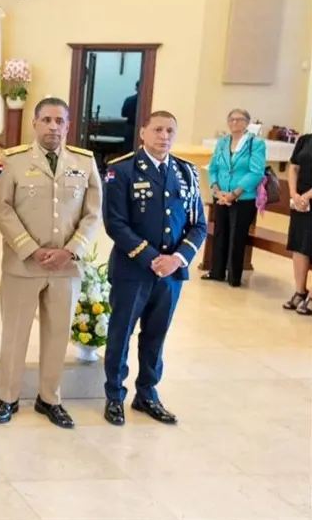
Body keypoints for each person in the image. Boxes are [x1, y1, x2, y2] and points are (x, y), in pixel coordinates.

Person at [0, 97, 102, 428]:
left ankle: (50, 398)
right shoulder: (13, 161)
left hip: (66, 267)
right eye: (47, 120)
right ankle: (7, 397)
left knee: (57, 335)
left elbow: (93, 213)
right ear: (35, 124)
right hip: (24, 265)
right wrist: (30, 249)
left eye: (60, 121)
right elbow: (2, 208)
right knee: (15, 334)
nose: (53, 126)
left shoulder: (84, 162)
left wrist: (71, 250)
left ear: (68, 125)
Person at [102, 110, 206, 426]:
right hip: (133, 270)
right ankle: (114, 396)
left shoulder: (187, 173)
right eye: (158, 130)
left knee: (156, 336)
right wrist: (151, 258)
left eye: (170, 131)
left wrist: (177, 259)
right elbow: (115, 223)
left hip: (171, 274)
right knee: (121, 333)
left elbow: (198, 224)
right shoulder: (121, 171)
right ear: (143, 132)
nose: (164, 136)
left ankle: (147, 394)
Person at [203, 109, 267, 288]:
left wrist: (235, 193)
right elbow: (213, 167)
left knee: (237, 236)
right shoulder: (223, 142)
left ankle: (234, 276)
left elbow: (256, 172)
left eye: (239, 120)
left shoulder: (255, 144)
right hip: (222, 194)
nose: (234, 123)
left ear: (247, 123)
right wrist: (216, 189)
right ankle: (216, 272)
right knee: (220, 233)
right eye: (231, 119)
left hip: (243, 197)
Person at [284, 125, 312, 315]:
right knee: (299, 246)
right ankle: (300, 291)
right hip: (301, 201)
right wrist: (294, 193)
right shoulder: (305, 139)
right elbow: (293, 167)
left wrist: (308, 196)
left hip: (308, 199)